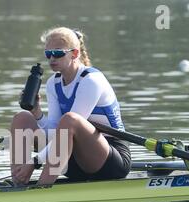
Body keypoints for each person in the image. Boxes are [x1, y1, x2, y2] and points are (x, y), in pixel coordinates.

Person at [10, 26, 131, 186]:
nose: (52, 59)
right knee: (22, 118)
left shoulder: (91, 80)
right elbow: (55, 132)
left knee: (70, 120)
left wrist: (35, 161)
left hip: (110, 160)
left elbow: (69, 125)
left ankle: (42, 188)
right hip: (72, 157)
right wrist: (37, 113)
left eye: (58, 53)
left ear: (74, 53)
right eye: (48, 54)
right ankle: (18, 181)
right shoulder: (53, 83)